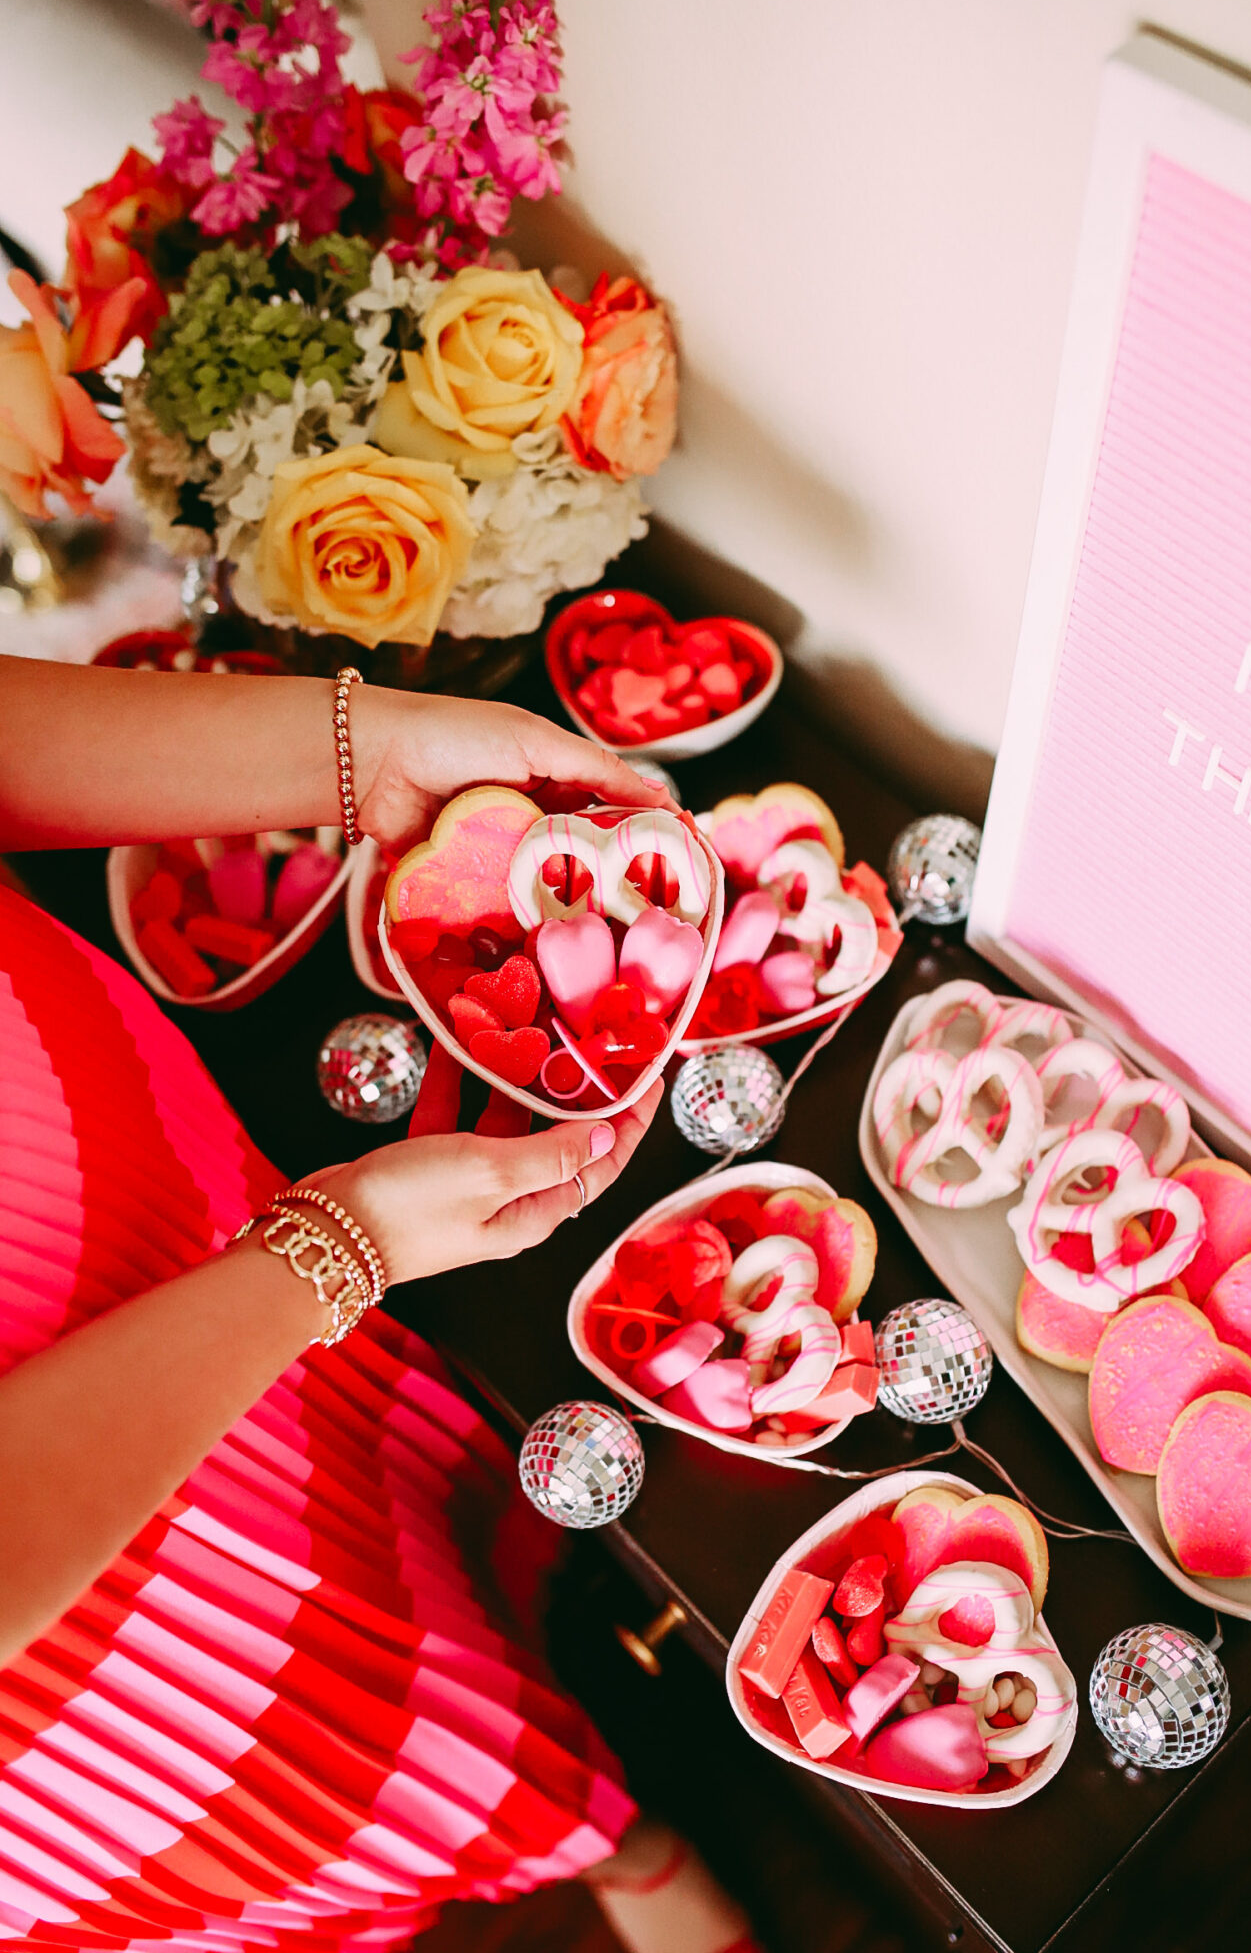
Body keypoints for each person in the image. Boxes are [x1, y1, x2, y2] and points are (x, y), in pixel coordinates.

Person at [0, 658, 756, 1953]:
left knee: (418, 1529)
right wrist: (333, 1250)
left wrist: (367, 751)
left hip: (210, 1227)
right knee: (389, 1747)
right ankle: (609, 1847)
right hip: (100, 1627)